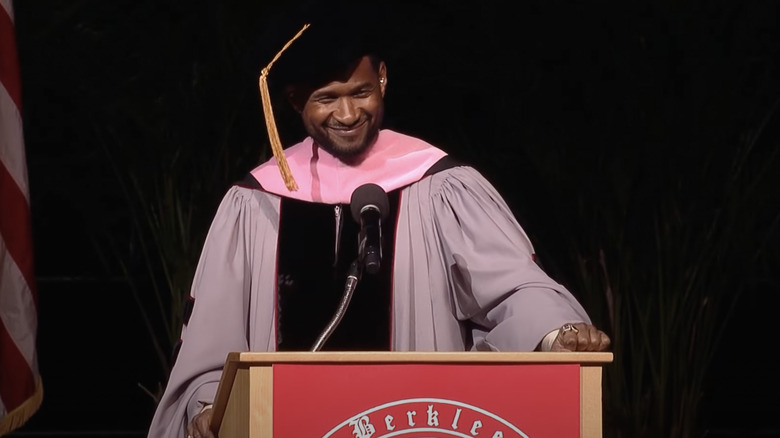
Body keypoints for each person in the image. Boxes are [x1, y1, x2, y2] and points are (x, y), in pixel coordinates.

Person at [146, 2, 611, 437]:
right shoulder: (255, 202)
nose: (348, 114)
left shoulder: (439, 185)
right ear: (293, 101)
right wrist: (210, 405)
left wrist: (557, 333)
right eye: (326, 98)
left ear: (383, 79)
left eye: (361, 92)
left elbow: (513, 284)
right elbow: (214, 332)